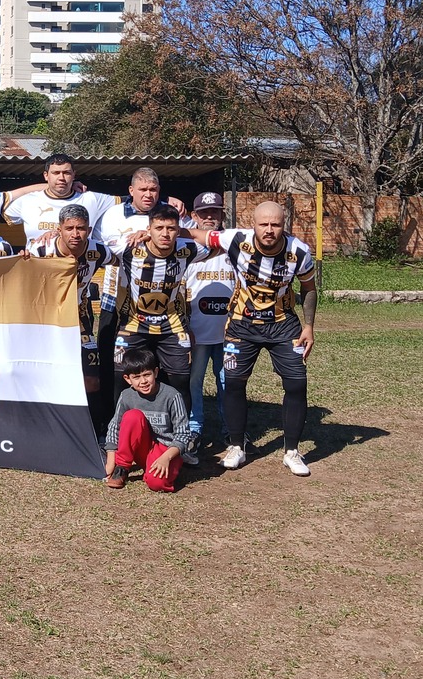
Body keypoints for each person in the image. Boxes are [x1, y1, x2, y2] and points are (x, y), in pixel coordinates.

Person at [184, 201, 318, 476]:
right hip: (243, 325)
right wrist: (155, 232)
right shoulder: (236, 239)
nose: (269, 230)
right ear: (253, 224)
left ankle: (292, 451)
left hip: (283, 325)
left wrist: (309, 326)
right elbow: (198, 234)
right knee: (233, 383)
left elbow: (309, 288)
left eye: (276, 224)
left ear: (284, 225)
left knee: (296, 384)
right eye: (263, 224)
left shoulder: (299, 251)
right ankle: (236, 446)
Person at [108, 204, 211, 453]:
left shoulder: (187, 249)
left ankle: (181, 441)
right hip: (134, 324)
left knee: (180, 382)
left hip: (172, 326)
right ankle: (118, 437)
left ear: (179, 230)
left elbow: (217, 242)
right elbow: (92, 245)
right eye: (159, 228)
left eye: (171, 228)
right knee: (120, 378)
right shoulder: (129, 248)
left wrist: (185, 232)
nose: (165, 233)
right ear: (148, 229)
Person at [96, 167, 193, 427]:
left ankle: (167, 424)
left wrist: (154, 232)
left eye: (153, 190)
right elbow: (109, 248)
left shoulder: (171, 213)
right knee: (119, 368)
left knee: (163, 370)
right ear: (131, 191)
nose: (148, 195)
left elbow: (192, 237)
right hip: (118, 301)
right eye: (143, 190)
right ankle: (114, 426)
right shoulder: (114, 214)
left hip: (166, 306)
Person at [26, 205, 116, 403]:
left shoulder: (99, 250)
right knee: (44, 375)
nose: (75, 234)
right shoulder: (40, 249)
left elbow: (124, 258)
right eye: (69, 228)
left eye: (81, 228)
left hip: (79, 317)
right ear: (59, 229)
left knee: (91, 380)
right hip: (45, 319)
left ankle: (94, 429)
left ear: (89, 230)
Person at [182, 192, 237, 451]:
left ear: (222, 214)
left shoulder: (235, 244)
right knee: (194, 381)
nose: (209, 217)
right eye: (204, 213)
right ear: (194, 216)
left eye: (214, 212)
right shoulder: (186, 247)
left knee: (228, 380)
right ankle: (195, 428)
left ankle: (231, 430)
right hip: (197, 331)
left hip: (229, 330)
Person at [104, 347, 191, 493]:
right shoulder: (126, 396)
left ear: (155, 373)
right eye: (136, 377)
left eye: (147, 375)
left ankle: (159, 470)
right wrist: (111, 462)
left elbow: (183, 434)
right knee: (132, 416)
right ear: (127, 379)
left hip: (166, 450)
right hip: (142, 447)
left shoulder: (172, 396)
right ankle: (123, 467)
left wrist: (167, 458)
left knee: (157, 484)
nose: (143, 381)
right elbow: (115, 426)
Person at [2, 153, 118, 245]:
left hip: (77, 271)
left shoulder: (92, 199)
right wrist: (45, 186)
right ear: (46, 176)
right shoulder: (27, 201)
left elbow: (131, 201)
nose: (61, 178)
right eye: (56, 173)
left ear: (74, 175)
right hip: (37, 270)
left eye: (66, 173)